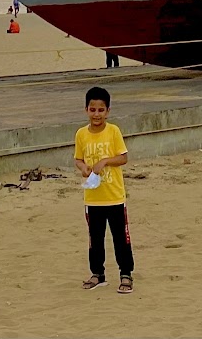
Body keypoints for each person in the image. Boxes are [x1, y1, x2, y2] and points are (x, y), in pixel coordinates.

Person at [74, 86, 134, 293]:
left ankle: (126, 274)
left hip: (114, 196)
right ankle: (97, 274)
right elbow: (78, 159)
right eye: (92, 110)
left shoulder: (113, 131)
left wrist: (106, 161)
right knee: (95, 238)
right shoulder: (81, 134)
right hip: (92, 197)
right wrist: (84, 168)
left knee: (120, 237)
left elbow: (123, 157)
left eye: (101, 110)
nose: (96, 114)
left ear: (107, 111)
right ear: (86, 110)